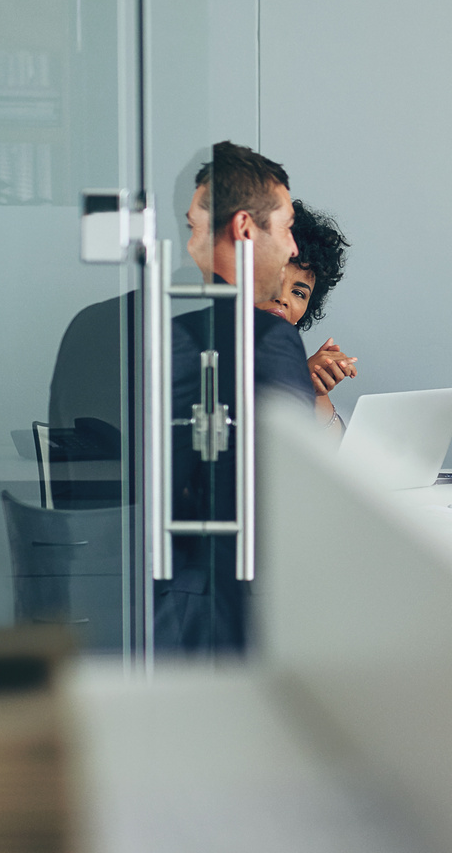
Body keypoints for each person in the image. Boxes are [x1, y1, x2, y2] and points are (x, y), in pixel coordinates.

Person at [160, 141, 315, 655]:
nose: (293, 248)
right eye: (288, 227)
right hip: (224, 616)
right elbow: (289, 498)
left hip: (147, 604)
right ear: (247, 228)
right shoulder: (267, 339)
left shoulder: (156, 332)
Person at [257, 199, 356, 437]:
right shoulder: (209, 353)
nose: (283, 298)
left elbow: (335, 452)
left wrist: (316, 391)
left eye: (298, 293)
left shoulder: (288, 365)